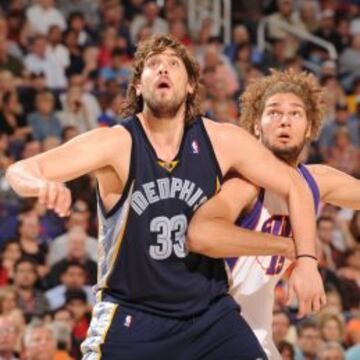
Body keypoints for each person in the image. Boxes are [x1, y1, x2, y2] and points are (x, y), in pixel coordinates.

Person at [6, 34, 322, 359]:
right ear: (139, 86)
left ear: (189, 86)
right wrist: (42, 185)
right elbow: (21, 170)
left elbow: (294, 184)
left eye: (173, 64)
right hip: (133, 315)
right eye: (153, 65)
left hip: (209, 317)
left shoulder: (221, 140)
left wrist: (307, 260)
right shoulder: (116, 144)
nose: (163, 70)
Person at [188, 69, 360, 358]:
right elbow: (202, 233)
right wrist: (292, 249)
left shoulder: (315, 181)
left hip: (254, 333)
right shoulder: (245, 183)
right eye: (274, 112)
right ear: (256, 125)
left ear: (309, 127)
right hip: (207, 325)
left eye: (295, 113)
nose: (284, 120)